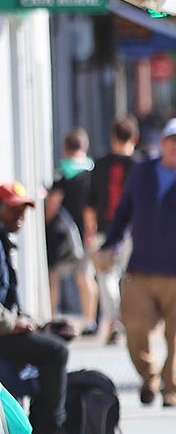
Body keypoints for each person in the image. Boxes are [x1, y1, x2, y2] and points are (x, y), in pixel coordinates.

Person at [98, 117, 176, 409]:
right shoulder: (143, 173)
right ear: (162, 143)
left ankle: (172, 389)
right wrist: (111, 243)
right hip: (141, 269)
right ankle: (149, 374)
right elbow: (123, 211)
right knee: (133, 325)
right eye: (172, 141)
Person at [0, 182, 87, 434]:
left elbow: (9, 299)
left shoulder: (4, 242)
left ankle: (41, 423)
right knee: (55, 351)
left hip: (6, 329)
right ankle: (49, 431)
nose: (21, 216)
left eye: (24, 210)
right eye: (14, 209)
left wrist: (38, 324)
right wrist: (15, 324)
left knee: (53, 338)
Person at [89, 117, 141, 343]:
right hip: (132, 230)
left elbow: (90, 202)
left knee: (106, 275)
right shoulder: (140, 166)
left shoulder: (100, 164)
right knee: (128, 277)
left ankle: (116, 317)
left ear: (112, 138)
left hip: (105, 229)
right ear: (135, 138)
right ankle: (125, 319)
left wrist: (90, 229)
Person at [48, 129, 95, 324]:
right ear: (85, 147)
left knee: (53, 275)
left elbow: (53, 203)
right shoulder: (93, 171)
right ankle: (90, 320)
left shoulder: (62, 172)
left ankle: (50, 316)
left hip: (63, 234)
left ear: (65, 149)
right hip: (87, 231)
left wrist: (44, 221)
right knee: (85, 277)